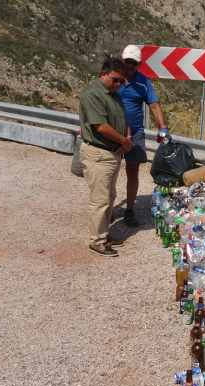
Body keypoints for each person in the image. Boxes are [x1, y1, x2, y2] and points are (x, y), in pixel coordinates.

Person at [79, 57, 132, 257]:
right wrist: (125, 142)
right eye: (115, 79)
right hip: (98, 153)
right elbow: (100, 126)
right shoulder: (93, 94)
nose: (118, 84)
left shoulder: (114, 94)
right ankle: (97, 241)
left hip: (112, 154)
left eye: (122, 81)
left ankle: (104, 233)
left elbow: (122, 118)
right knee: (100, 199)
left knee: (109, 196)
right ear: (103, 74)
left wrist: (126, 138)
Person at [117, 44, 169, 228]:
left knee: (133, 172)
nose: (130, 65)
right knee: (110, 172)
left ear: (139, 64)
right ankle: (107, 208)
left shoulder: (143, 82)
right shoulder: (114, 77)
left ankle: (129, 210)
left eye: (134, 63)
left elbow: (154, 105)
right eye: (128, 61)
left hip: (136, 133)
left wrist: (163, 127)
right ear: (122, 59)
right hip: (113, 131)